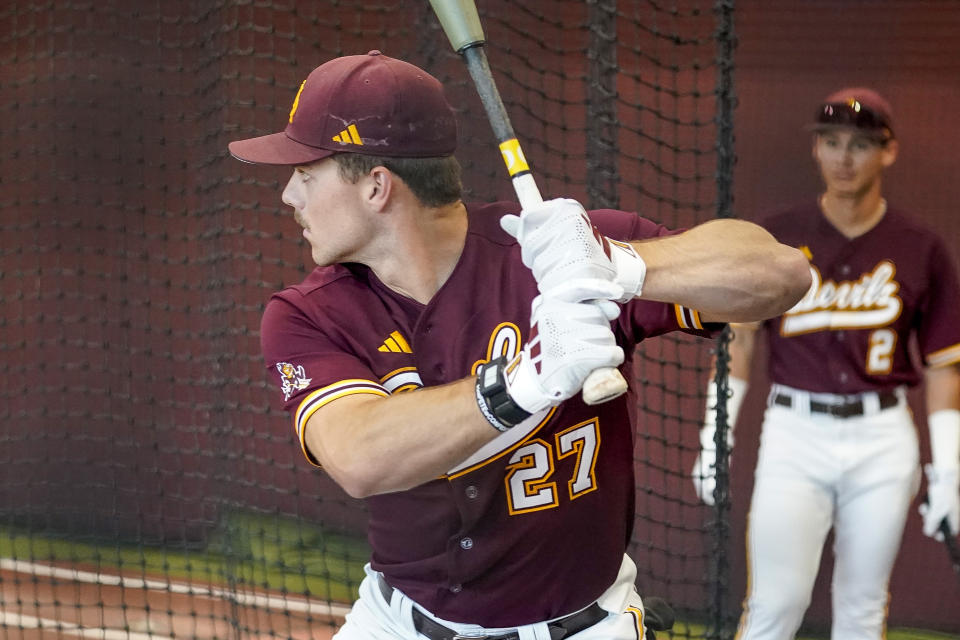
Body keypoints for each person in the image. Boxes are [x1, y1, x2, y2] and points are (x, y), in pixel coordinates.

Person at [229, 50, 810, 640]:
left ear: (377, 187)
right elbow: (359, 457)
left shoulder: (556, 254)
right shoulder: (308, 311)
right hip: (399, 623)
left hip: (583, 626)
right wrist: (526, 379)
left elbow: (781, 275)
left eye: (305, 175)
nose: (288, 197)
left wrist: (620, 264)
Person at [691, 87, 960, 640]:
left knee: (863, 608)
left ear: (888, 151)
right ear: (815, 150)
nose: (843, 157)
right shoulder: (778, 238)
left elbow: (943, 365)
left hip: (883, 437)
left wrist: (950, 469)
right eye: (831, 142)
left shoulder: (920, 246)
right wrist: (713, 437)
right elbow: (738, 343)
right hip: (794, 432)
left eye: (859, 145)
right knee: (774, 604)